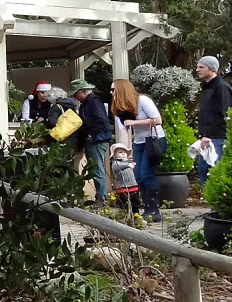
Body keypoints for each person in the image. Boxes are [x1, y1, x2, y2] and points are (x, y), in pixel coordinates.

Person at [112, 78, 165, 222]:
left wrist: (134, 122)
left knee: (147, 174)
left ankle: (153, 209)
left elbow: (158, 120)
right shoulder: (119, 109)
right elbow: (123, 131)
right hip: (139, 142)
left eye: (114, 90)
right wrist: (123, 153)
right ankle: (147, 208)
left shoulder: (142, 101)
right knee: (138, 176)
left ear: (122, 90)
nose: (112, 93)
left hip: (154, 140)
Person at [70, 78, 112, 206]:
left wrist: (90, 134)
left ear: (83, 91)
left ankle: (102, 198)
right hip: (94, 139)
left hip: (97, 140)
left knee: (97, 169)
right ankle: (100, 197)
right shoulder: (86, 103)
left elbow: (99, 121)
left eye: (76, 94)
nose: (75, 97)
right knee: (94, 169)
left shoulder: (94, 102)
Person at [194, 55, 232, 186]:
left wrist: (208, 135)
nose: (197, 70)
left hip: (218, 136)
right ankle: (214, 202)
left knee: (213, 170)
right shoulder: (207, 86)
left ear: (212, 69)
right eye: (197, 66)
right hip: (209, 136)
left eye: (201, 67)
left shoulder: (221, 87)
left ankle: (219, 203)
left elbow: (222, 114)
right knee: (204, 169)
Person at [110, 143, 142, 217]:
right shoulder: (116, 163)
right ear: (114, 155)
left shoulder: (128, 162)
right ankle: (126, 217)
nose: (123, 154)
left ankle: (136, 216)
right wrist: (128, 165)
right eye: (120, 152)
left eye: (124, 152)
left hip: (133, 186)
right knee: (124, 204)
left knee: (136, 202)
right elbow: (116, 167)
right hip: (123, 187)